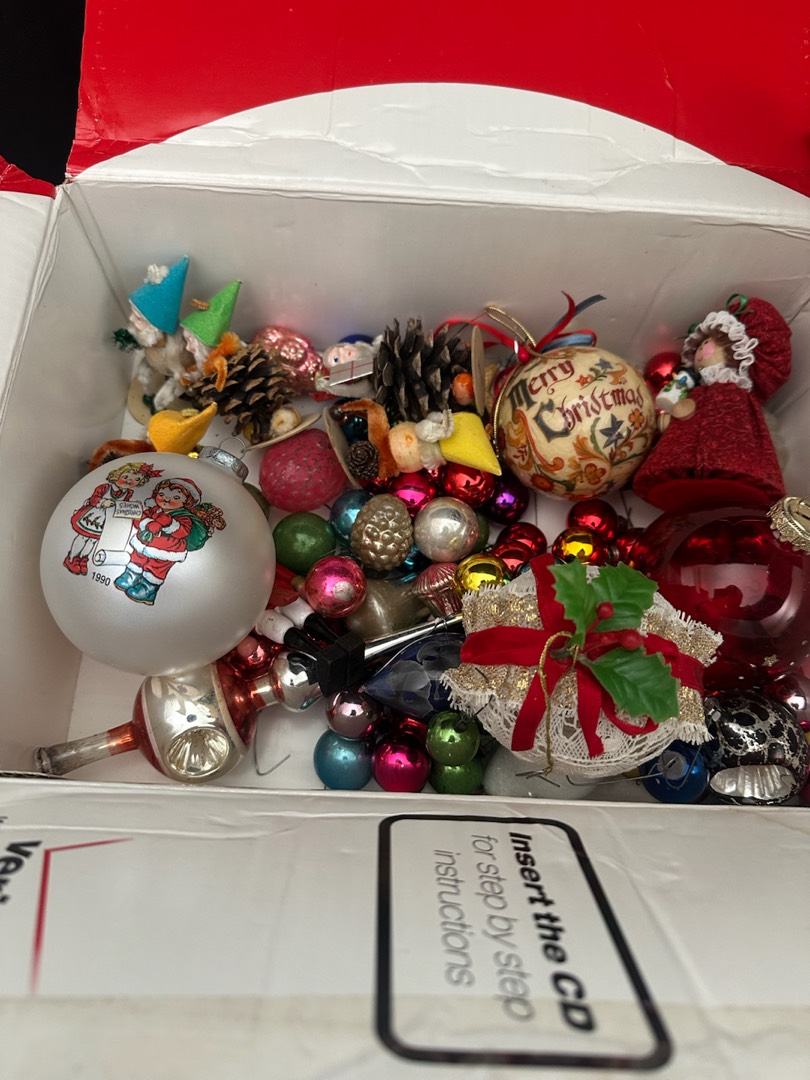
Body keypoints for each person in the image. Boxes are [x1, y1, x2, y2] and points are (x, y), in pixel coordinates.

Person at [633, 294, 791, 511]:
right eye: (699, 345)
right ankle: (685, 477)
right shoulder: (699, 389)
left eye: (707, 344)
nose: (699, 352)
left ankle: (722, 477)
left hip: (729, 476)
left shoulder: (732, 393)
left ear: (737, 350)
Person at [113, 478, 225, 605]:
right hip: (144, 543)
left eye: (176, 497)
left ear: (186, 502)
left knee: (156, 569)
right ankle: (130, 576)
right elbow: (139, 518)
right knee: (137, 559)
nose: (166, 499)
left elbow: (183, 531)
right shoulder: (154, 509)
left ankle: (147, 590)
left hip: (166, 550)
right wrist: (147, 523)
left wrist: (169, 523)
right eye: (161, 494)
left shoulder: (184, 517)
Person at [64, 461, 159, 575]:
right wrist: (103, 502)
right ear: (117, 475)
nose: (129, 481)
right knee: (83, 537)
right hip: (92, 516)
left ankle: (83, 558)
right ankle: (72, 558)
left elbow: (122, 507)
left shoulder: (128, 493)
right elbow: (93, 499)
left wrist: (132, 507)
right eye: (125, 477)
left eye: (136, 479)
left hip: (106, 521)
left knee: (93, 541)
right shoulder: (105, 487)